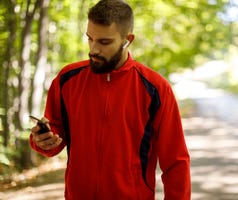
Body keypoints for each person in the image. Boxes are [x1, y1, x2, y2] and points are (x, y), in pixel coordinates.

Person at [30, 0, 191, 199]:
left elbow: (176, 162)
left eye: (104, 42)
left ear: (127, 40)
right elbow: (53, 139)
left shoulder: (155, 88)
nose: (93, 49)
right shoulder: (67, 79)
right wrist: (42, 140)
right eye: (90, 39)